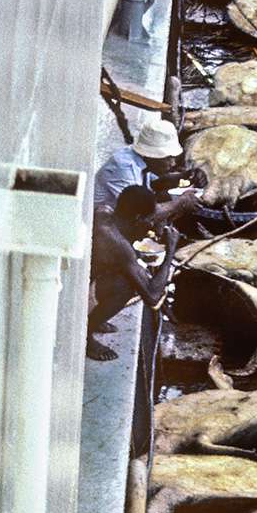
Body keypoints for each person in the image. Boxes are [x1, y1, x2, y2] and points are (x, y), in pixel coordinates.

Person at [86, 117, 204, 362]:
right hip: (101, 248)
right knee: (127, 285)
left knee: (128, 273)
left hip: (106, 242)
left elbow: (141, 196)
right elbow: (152, 297)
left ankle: (96, 317)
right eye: (168, 158)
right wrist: (170, 250)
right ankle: (86, 335)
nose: (172, 162)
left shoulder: (111, 214)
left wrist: (178, 178)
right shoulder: (118, 243)